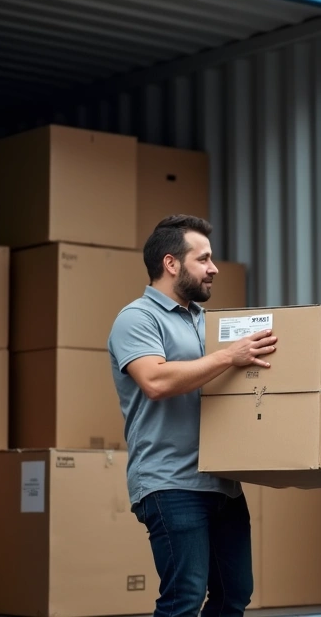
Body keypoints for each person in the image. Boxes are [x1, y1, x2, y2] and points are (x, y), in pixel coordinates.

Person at [107, 214, 277, 617]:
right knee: (183, 598)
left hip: (223, 485)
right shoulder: (137, 319)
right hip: (170, 483)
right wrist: (228, 356)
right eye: (203, 259)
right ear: (171, 264)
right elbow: (155, 381)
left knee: (235, 594)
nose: (214, 268)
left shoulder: (210, 324)